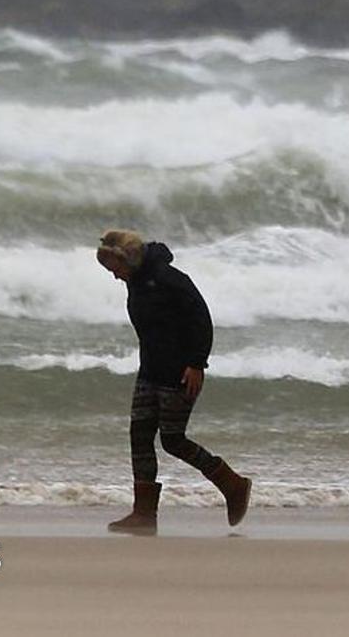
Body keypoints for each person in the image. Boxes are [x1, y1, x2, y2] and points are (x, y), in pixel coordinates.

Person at [96, 229, 251, 535]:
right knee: (139, 435)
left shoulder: (169, 280)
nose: (115, 277)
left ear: (128, 258)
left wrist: (197, 363)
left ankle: (232, 484)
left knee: (172, 439)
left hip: (180, 372)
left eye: (115, 269)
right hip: (150, 371)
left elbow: (200, 319)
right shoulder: (137, 282)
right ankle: (143, 514)